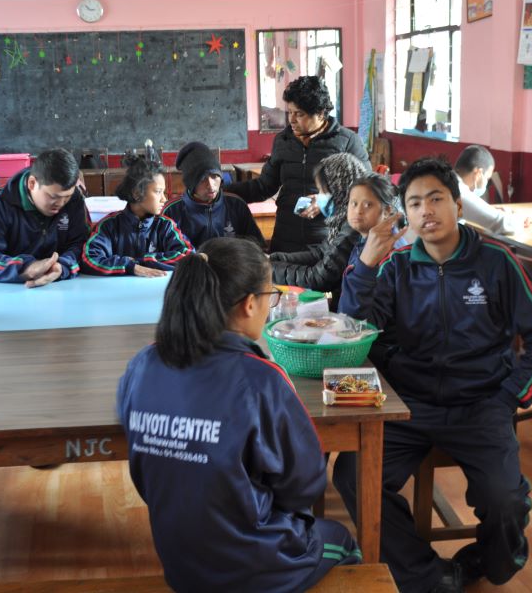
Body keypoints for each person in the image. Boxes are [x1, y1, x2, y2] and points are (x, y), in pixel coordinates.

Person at [334, 157, 532, 593]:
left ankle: (488, 561)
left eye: (436, 199)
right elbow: (353, 331)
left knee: (504, 501)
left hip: (481, 406)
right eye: (414, 203)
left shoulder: (496, 261)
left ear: (458, 205)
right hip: (408, 405)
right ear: (404, 212)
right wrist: (364, 265)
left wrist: (510, 397)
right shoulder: (396, 264)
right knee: (352, 474)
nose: (426, 212)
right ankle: (428, 575)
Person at [117, 237, 361, 592]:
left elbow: (148, 469)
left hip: (180, 563)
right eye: (270, 296)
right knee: (344, 541)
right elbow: (305, 484)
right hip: (253, 566)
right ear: (249, 304)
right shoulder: (261, 378)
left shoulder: (142, 364)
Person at [225, 76, 370, 254]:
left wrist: (326, 201)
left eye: (299, 114)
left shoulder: (348, 142)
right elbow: (263, 186)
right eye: (290, 112)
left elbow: (367, 190)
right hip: (285, 240)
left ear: (321, 113)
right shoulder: (283, 140)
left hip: (327, 243)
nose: (291, 120)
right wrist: (222, 190)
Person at [0, 149, 91, 286]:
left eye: (67, 196)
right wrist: (25, 268)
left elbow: (83, 245)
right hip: (10, 290)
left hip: (62, 287)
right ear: (32, 183)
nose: (61, 203)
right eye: (53, 196)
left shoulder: (75, 200)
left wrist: (62, 267)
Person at [269, 153, 368, 300]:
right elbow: (322, 253)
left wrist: (267, 270)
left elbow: (320, 278)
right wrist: (273, 259)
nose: (318, 197)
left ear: (339, 190)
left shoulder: (355, 226)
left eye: (322, 191)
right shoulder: (341, 221)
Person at [83, 156, 193, 276]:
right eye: (158, 192)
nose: (164, 199)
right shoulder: (108, 226)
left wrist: (140, 262)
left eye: (164, 192)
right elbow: (90, 259)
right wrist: (130, 267)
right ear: (136, 193)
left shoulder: (165, 225)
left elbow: (186, 254)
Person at [162, 141, 264, 249]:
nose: (211, 186)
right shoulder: (171, 211)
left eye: (215, 176)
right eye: (202, 179)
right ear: (191, 183)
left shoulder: (236, 205)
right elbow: (161, 256)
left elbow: (258, 246)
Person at [453, 144, 517, 235]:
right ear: (478, 173)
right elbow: (504, 224)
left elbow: (469, 209)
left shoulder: (447, 180)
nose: (486, 182)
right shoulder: (459, 192)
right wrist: (518, 219)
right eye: (487, 178)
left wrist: (489, 209)